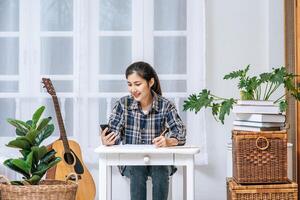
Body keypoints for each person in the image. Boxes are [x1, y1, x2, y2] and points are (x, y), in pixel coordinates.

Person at [100, 61, 186, 200]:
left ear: (150, 82)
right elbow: (113, 133)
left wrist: (168, 141)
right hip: (131, 162)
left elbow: (180, 133)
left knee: (160, 169)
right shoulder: (123, 104)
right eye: (129, 84)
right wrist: (106, 140)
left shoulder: (166, 105)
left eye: (137, 84)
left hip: (159, 161)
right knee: (137, 167)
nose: (133, 89)